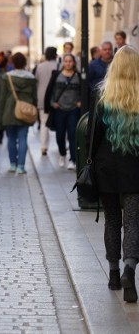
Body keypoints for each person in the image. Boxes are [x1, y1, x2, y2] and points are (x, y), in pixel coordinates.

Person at [91, 45, 139, 303]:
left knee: (112, 219)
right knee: (133, 221)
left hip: (106, 165)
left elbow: (93, 136)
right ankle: (129, 269)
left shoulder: (102, 94)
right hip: (134, 165)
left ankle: (113, 273)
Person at [0, 52, 37, 174]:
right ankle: (21, 166)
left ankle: (12, 164)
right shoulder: (31, 78)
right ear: (25, 63)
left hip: (10, 110)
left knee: (11, 138)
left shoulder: (7, 77)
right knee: (23, 138)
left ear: (12, 63)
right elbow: (34, 97)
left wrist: (0, 114)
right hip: (25, 111)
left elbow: (2, 97)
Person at [45, 53, 81, 170]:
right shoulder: (57, 75)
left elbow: (83, 91)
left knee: (72, 135)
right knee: (60, 135)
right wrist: (52, 103)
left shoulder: (78, 76)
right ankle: (62, 154)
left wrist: (80, 102)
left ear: (74, 63)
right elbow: (50, 90)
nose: (68, 63)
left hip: (73, 110)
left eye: (70, 61)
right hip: (59, 109)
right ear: (63, 63)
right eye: (66, 61)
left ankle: (73, 160)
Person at [34, 47, 58, 156]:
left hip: (42, 98)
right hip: (56, 98)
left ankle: (43, 146)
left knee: (44, 123)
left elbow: (36, 82)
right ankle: (62, 145)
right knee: (60, 123)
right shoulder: (58, 65)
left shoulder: (39, 67)